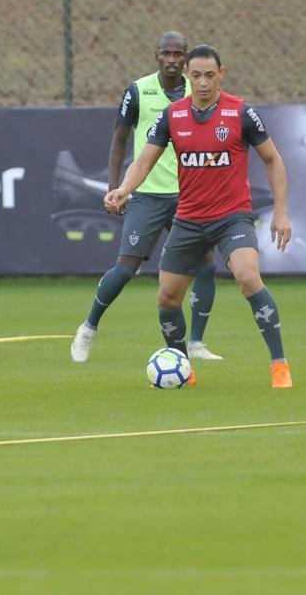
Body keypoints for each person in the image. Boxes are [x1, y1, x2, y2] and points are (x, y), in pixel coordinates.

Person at [104, 44, 294, 388]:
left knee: (249, 278)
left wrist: (281, 212)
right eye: (197, 76)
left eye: (210, 75)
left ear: (221, 73)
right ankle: (184, 370)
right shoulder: (173, 116)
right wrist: (124, 189)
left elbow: (273, 159)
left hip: (232, 216)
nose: (203, 83)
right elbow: (144, 160)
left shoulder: (241, 113)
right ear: (188, 77)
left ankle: (279, 365)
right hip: (189, 218)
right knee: (167, 297)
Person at [71, 32, 222, 363]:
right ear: (156, 55)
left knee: (207, 264)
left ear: (186, 58)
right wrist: (116, 187)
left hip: (188, 196)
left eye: (178, 54)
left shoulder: (198, 91)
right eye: (166, 53)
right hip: (147, 195)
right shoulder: (138, 90)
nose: (172, 59)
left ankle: (196, 343)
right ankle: (88, 327)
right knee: (126, 267)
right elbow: (119, 139)